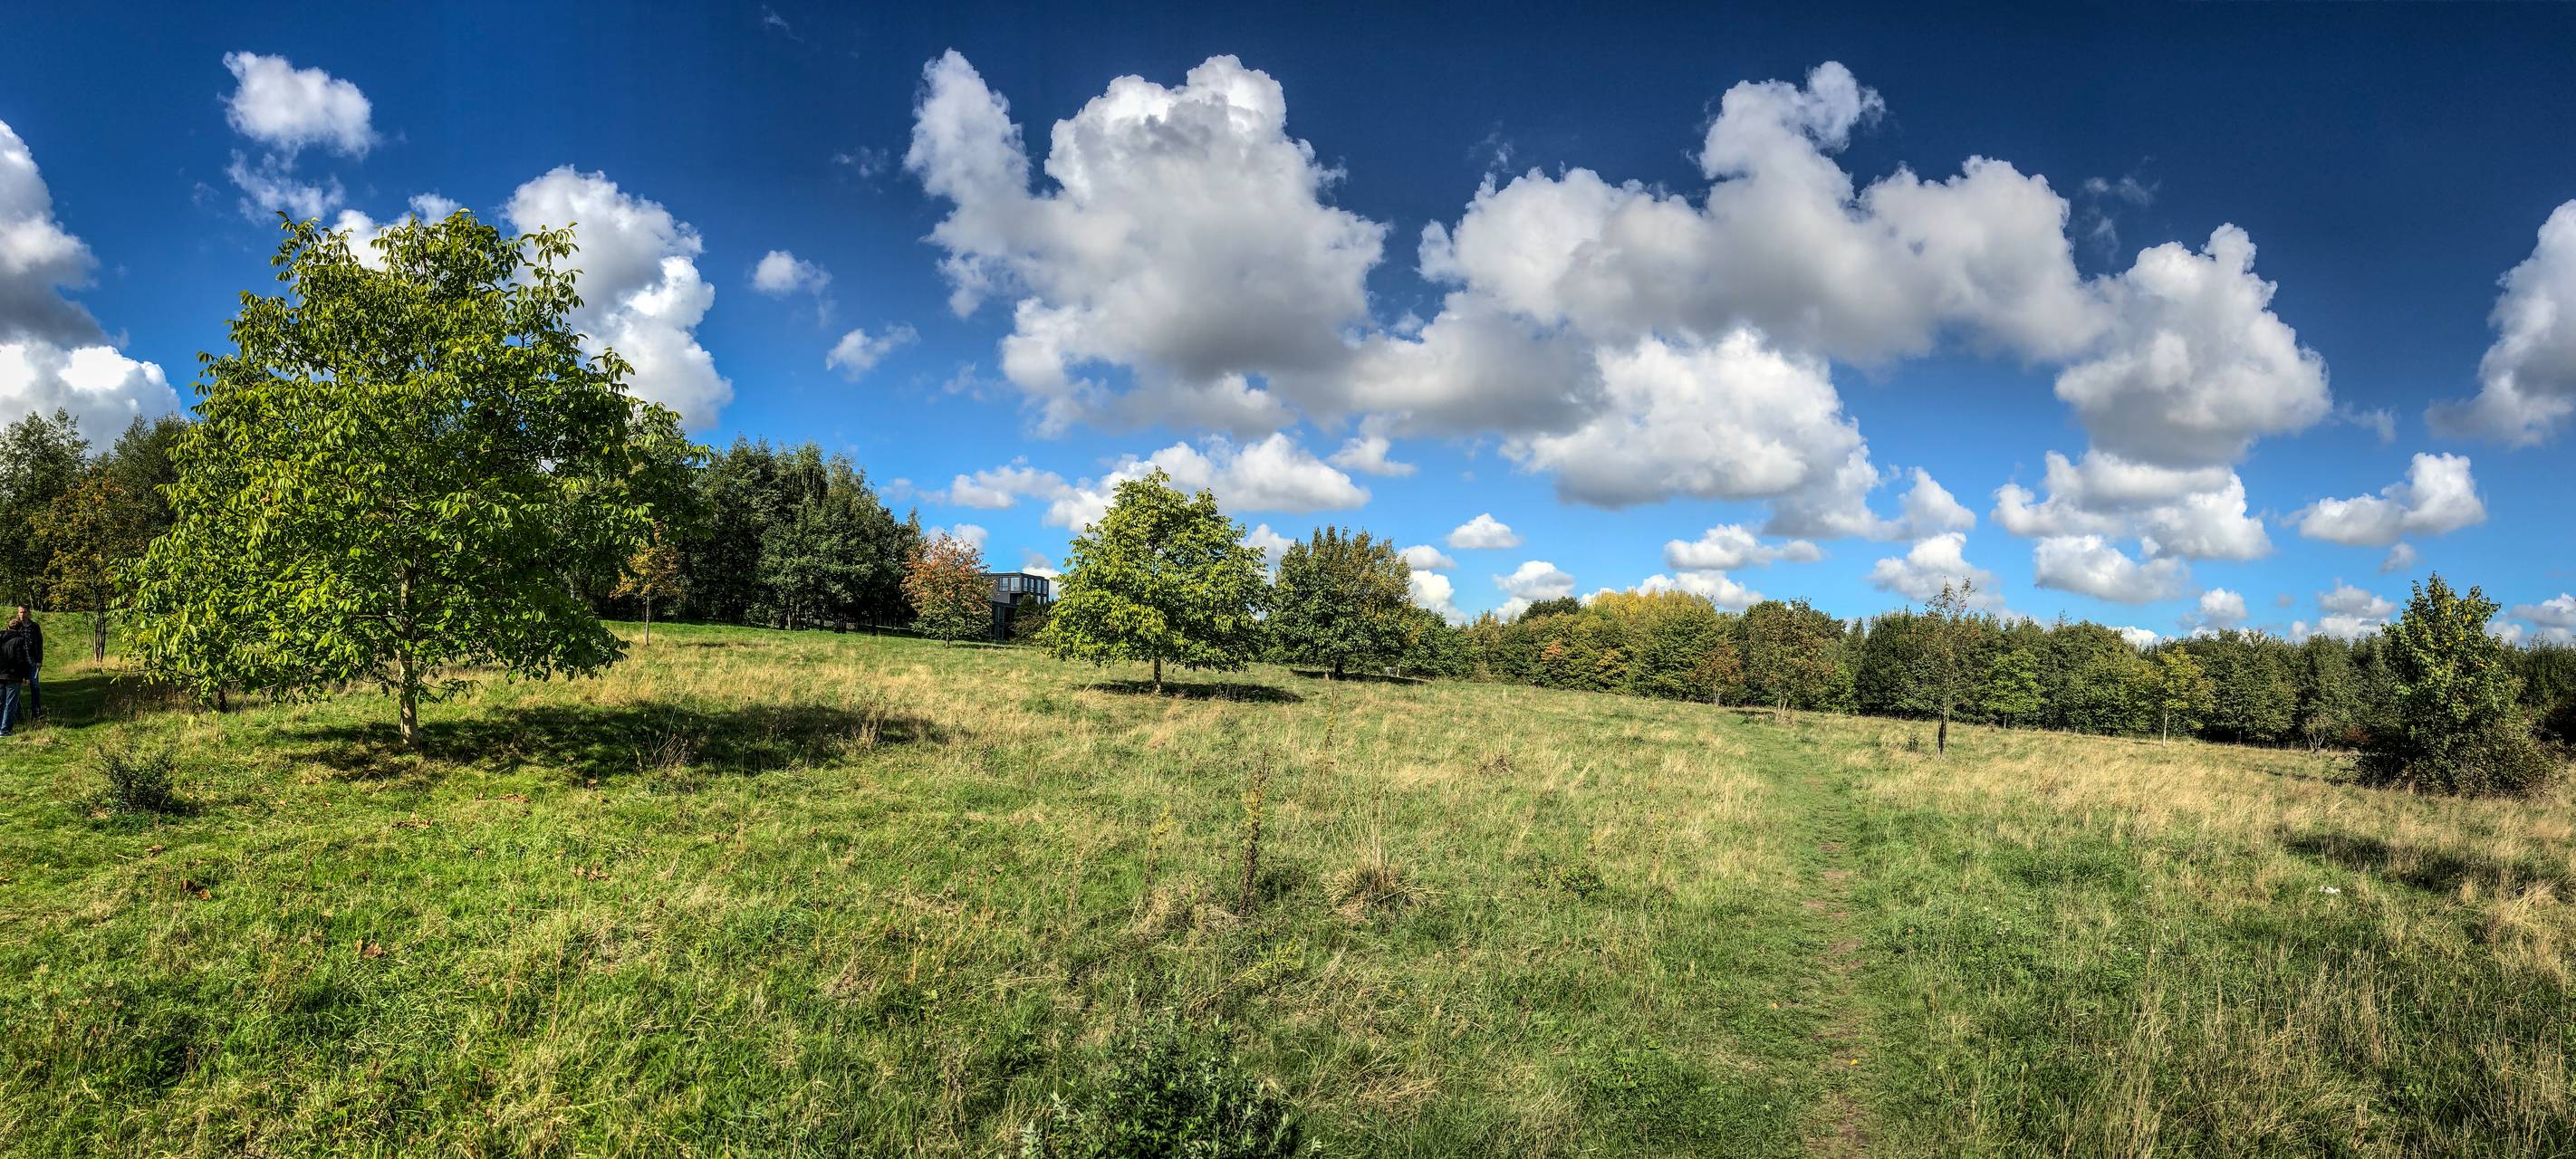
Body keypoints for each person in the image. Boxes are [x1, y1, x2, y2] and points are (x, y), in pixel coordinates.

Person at [8, 608, 36, 721]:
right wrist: (25, 676)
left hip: (27, 662)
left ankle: (33, 712)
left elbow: (38, 642)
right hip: (15, 668)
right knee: (13, 694)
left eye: (24, 612)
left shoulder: (34, 626)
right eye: (20, 612)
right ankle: (15, 716)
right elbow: (19, 658)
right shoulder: (17, 638)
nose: (22, 614)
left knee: (34, 687)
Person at [0, 617, 25, 738]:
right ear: (19, 629)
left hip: (0, 675)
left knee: (1, 703)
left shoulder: (1, 638)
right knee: (10, 703)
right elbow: (20, 660)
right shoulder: (19, 640)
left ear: (8, 627)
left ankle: (1, 727)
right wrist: (25, 675)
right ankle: (5, 729)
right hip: (13, 675)